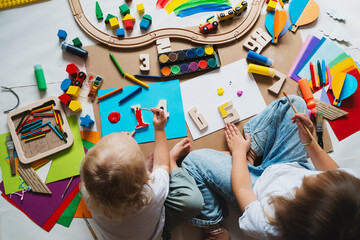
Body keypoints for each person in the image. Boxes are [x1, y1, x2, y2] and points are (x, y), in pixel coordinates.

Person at [182, 95, 360, 240]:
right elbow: (332, 172)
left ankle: (214, 229)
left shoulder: (269, 224)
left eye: (311, 182)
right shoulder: (347, 190)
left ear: (298, 205)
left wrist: (237, 153)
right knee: (295, 103)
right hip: (290, 164)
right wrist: (308, 141)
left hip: (255, 186)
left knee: (192, 161)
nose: (316, 175)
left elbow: (243, 189)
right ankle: (249, 158)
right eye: (318, 176)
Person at [80, 108, 203, 240]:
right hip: (156, 233)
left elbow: (108, 173)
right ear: (147, 177)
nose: (125, 135)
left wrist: (121, 145)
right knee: (193, 201)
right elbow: (162, 164)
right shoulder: (152, 194)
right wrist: (160, 129)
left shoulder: (91, 191)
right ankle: (172, 159)